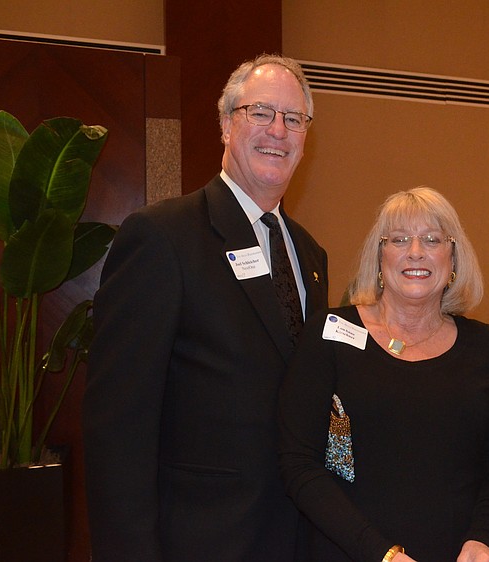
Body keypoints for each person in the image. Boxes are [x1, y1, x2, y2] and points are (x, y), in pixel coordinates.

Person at [82, 54, 329, 561]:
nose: (277, 130)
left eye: (293, 118)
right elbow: (118, 427)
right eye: (261, 112)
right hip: (199, 540)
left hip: (295, 538)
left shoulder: (311, 256)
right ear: (226, 124)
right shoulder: (163, 237)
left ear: (306, 137)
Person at [279, 187, 489, 562]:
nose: (416, 252)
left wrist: (485, 538)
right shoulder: (329, 335)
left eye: (432, 240)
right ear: (379, 256)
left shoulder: (486, 348)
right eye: (400, 239)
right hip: (350, 553)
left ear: (453, 257)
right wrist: (382, 553)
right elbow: (299, 464)